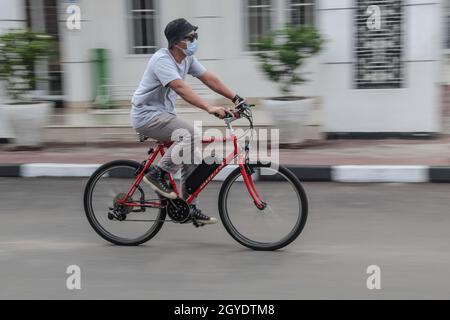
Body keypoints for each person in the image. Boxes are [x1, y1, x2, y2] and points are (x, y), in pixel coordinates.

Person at [131, 18, 245, 225]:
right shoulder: (162, 60)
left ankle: (187, 207)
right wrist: (210, 107)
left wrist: (236, 98)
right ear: (176, 42)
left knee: (194, 158)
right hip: (146, 116)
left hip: (164, 115)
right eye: (190, 37)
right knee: (192, 134)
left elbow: (209, 78)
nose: (194, 40)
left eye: (195, 36)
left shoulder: (186, 59)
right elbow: (181, 88)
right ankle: (159, 173)